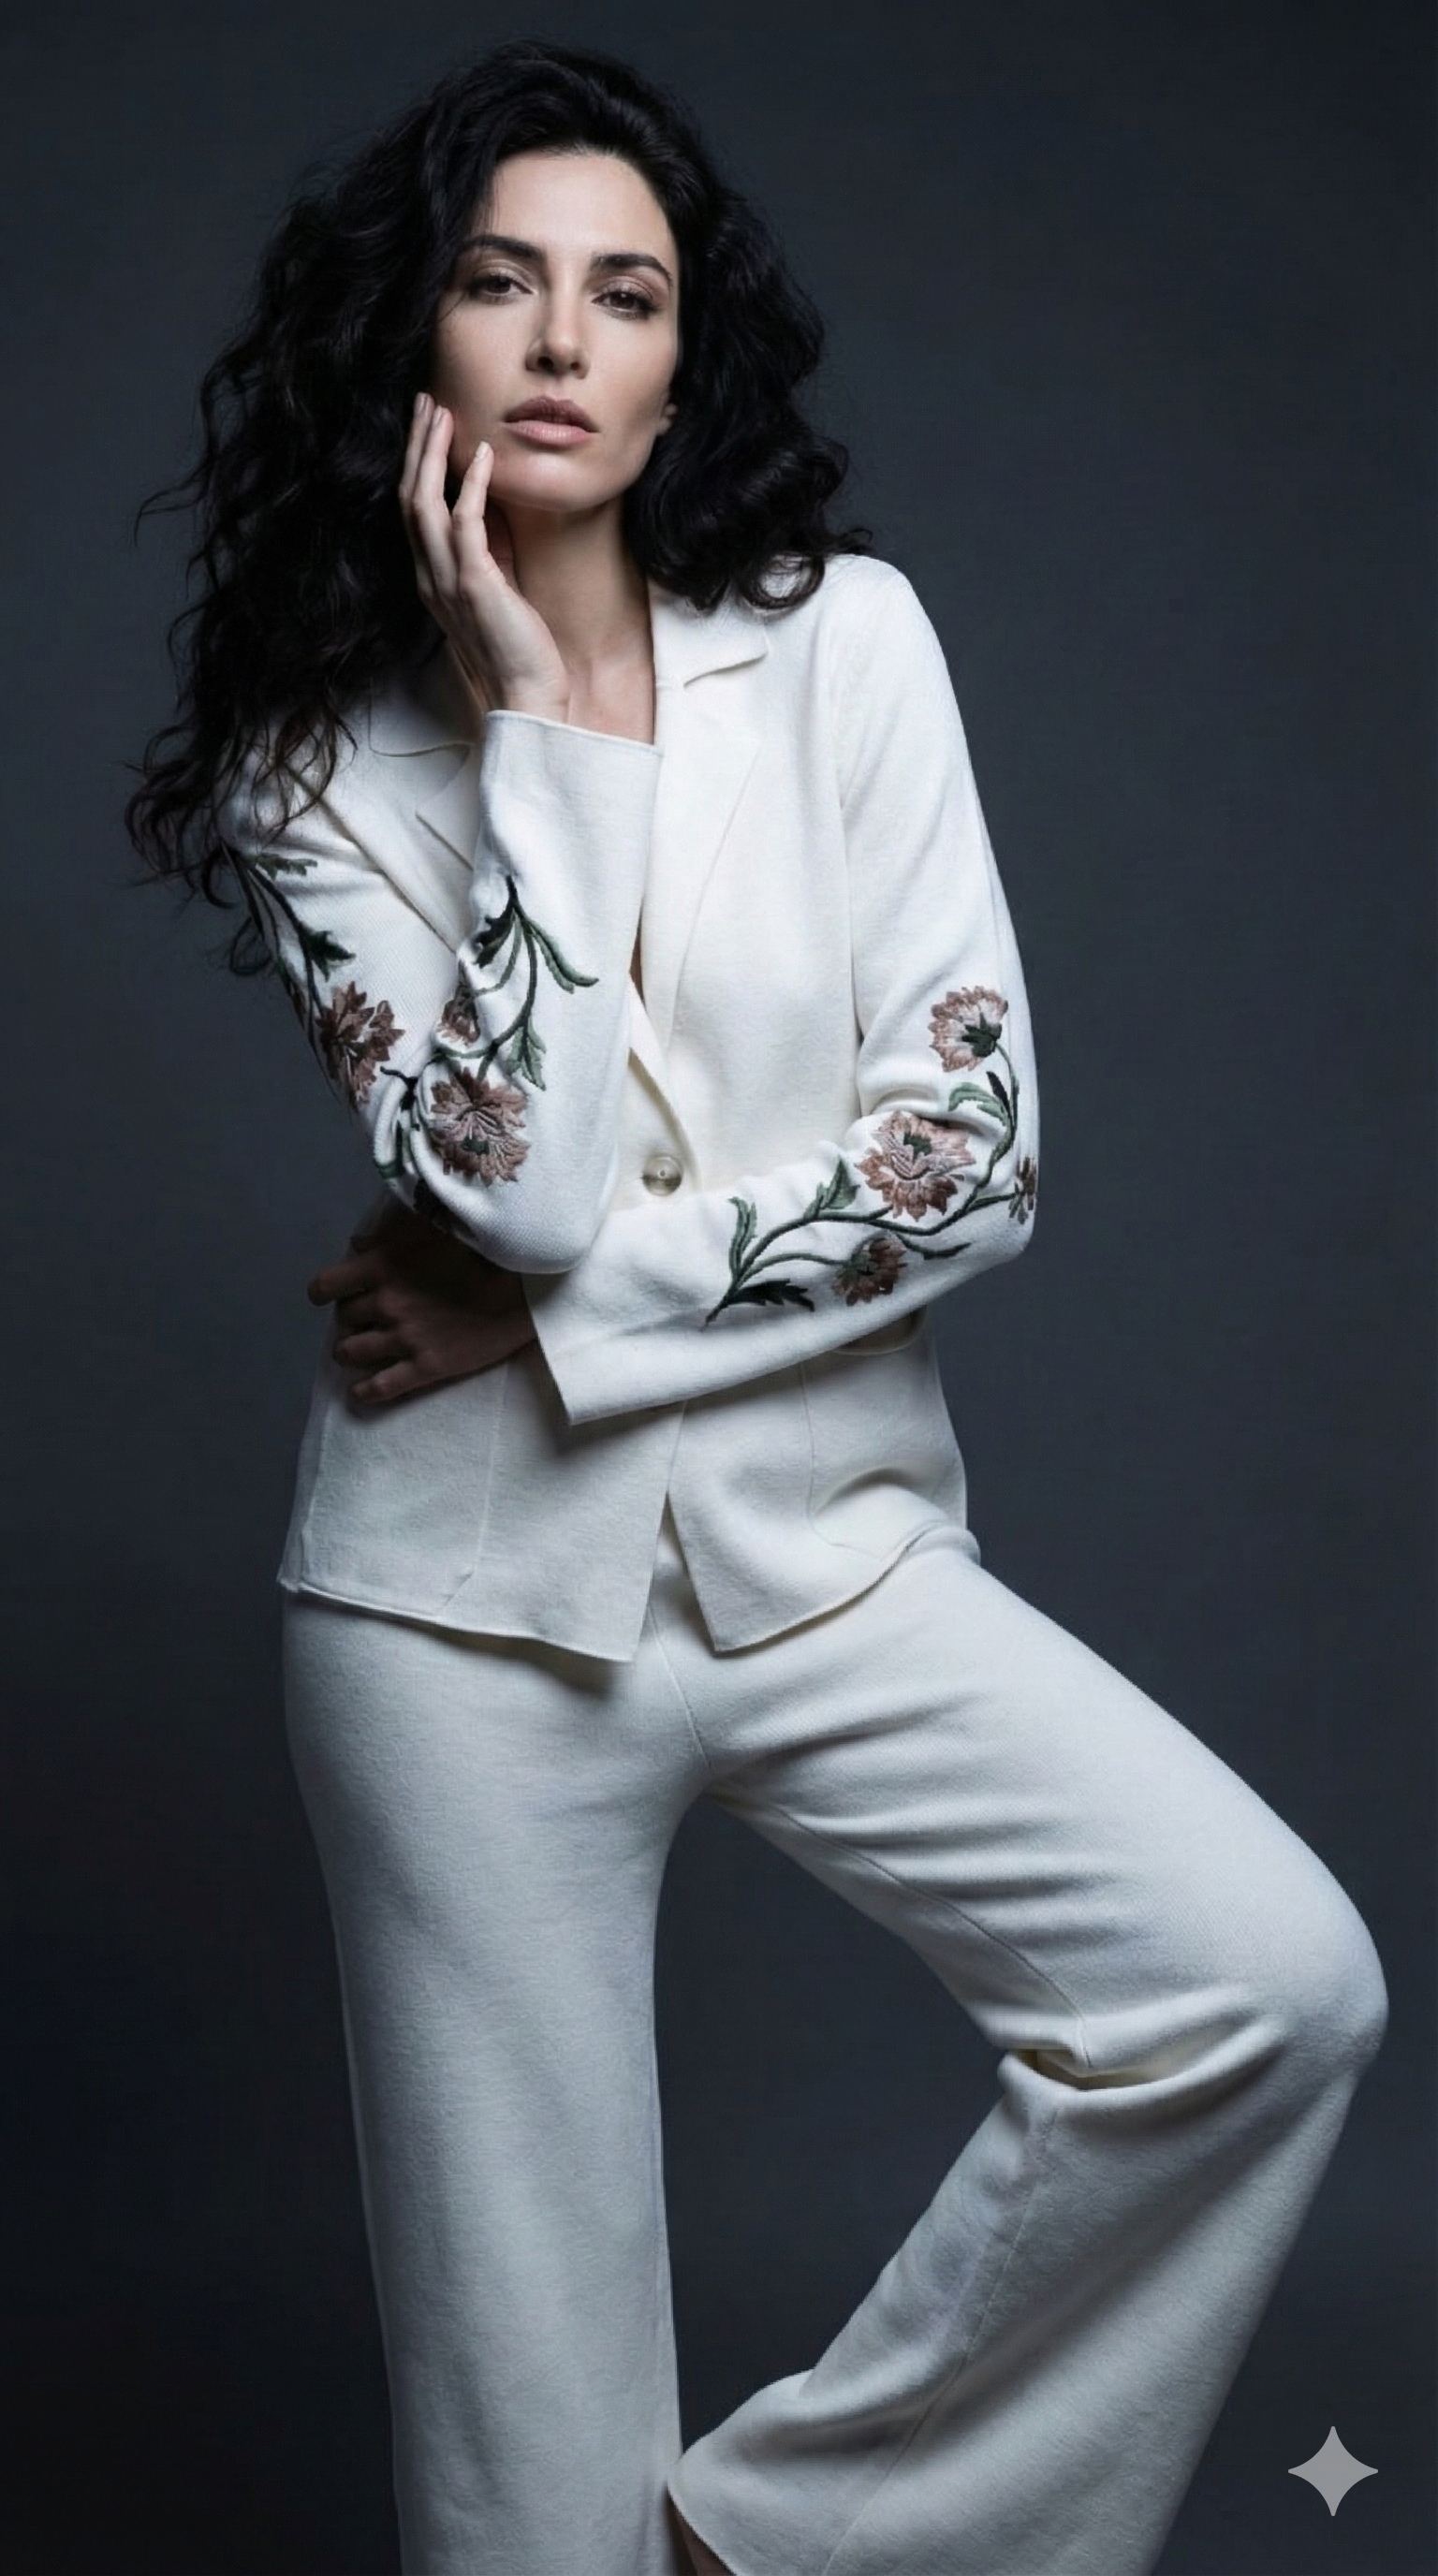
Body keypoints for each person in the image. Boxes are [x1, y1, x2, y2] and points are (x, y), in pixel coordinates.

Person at [126, 39, 1387, 2576]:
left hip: (834, 1557)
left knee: (1262, 1981)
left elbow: (970, 1163)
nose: (561, 340)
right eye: (502, 284)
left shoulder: (846, 646)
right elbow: (506, 1173)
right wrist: (535, 731)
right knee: (525, 2469)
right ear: (413, 336)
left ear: (687, 358)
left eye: (627, 293)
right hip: (457, 1624)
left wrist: (562, 1325)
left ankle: (779, 2546)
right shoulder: (309, 772)